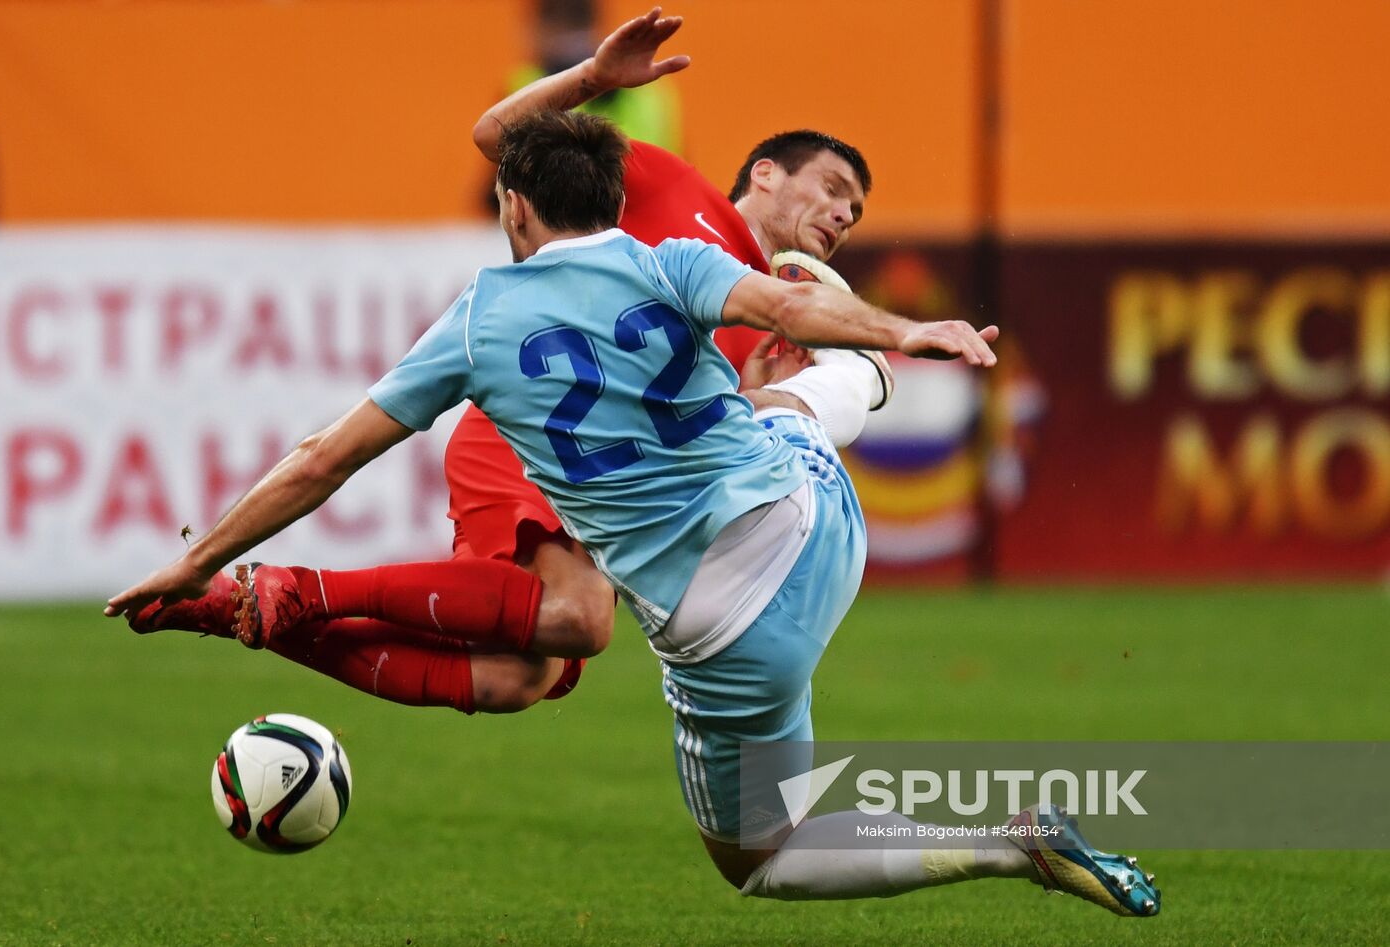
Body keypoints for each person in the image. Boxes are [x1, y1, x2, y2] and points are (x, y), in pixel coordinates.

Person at [107, 108, 1158, 917]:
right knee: (795, 398)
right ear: (611, 197)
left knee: (766, 858)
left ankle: (1005, 842)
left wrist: (195, 558)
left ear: (514, 206)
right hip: (818, 524)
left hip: (730, 637)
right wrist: (901, 331)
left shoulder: (476, 326)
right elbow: (792, 302)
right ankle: (866, 380)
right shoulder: (672, 262)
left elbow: (318, 462)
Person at [123, 7, 892, 718]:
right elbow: (501, 141)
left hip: (607, 468)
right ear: (764, 173)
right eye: (831, 187)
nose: (841, 214)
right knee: (578, 618)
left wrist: (772, 391)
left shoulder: (751, 308)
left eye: (854, 210)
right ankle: (294, 591)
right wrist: (592, 80)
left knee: (515, 677)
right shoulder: (672, 186)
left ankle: (247, 607)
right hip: (539, 426)